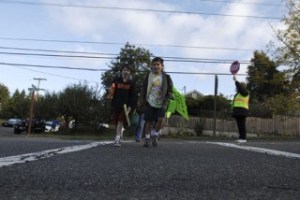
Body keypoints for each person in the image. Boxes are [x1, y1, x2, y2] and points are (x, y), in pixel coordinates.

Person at [138, 57, 174, 147]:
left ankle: (154, 134)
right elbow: (143, 88)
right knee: (148, 121)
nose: (156, 66)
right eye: (154, 64)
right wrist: (141, 99)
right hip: (149, 101)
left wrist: (166, 99)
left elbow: (170, 90)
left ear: (162, 66)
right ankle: (147, 139)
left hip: (161, 102)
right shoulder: (149, 76)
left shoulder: (166, 77)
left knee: (161, 120)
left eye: (158, 64)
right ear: (152, 66)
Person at [107, 65, 136, 147]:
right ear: (121, 71)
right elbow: (111, 91)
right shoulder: (116, 80)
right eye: (124, 70)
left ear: (129, 72)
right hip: (116, 104)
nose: (125, 72)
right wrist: (110, 93)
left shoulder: (131, 83)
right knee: (116, 122)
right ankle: (120, 132)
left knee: (120, 120)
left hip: (125, 106)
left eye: (127, 70)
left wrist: (131, 106)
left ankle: (117, 139)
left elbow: (133, 96)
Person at [232, 75, 250, 143]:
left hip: (242, 111)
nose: (237, 87)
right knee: (239, 125)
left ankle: (243, 138)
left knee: (242, 125)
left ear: (242, 87)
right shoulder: (238, 94)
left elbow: (240, 88)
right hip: (237, 111)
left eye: (239, 86)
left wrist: (236, 81)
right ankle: (241, 138)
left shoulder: (245, 93)